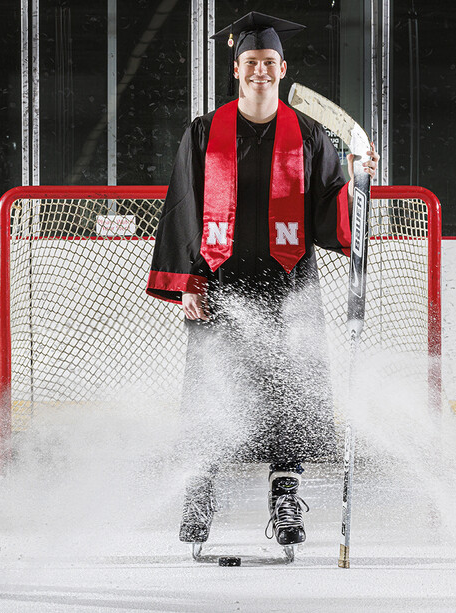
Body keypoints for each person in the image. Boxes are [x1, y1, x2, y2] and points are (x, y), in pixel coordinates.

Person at [145, 11, 378, 555]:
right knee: (211, 391)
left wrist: (357, 179)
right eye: (250, 62)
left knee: (289, 389)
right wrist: (187, 282)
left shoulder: (310, 134)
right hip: (219, 283)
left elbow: (327, 209)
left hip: (287, 283)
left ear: (282, 67)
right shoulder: (204, 131)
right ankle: (199, 497)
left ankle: (285, 497)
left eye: (269, 63)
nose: (260, 71)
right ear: (235, 68)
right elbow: (184, 206)